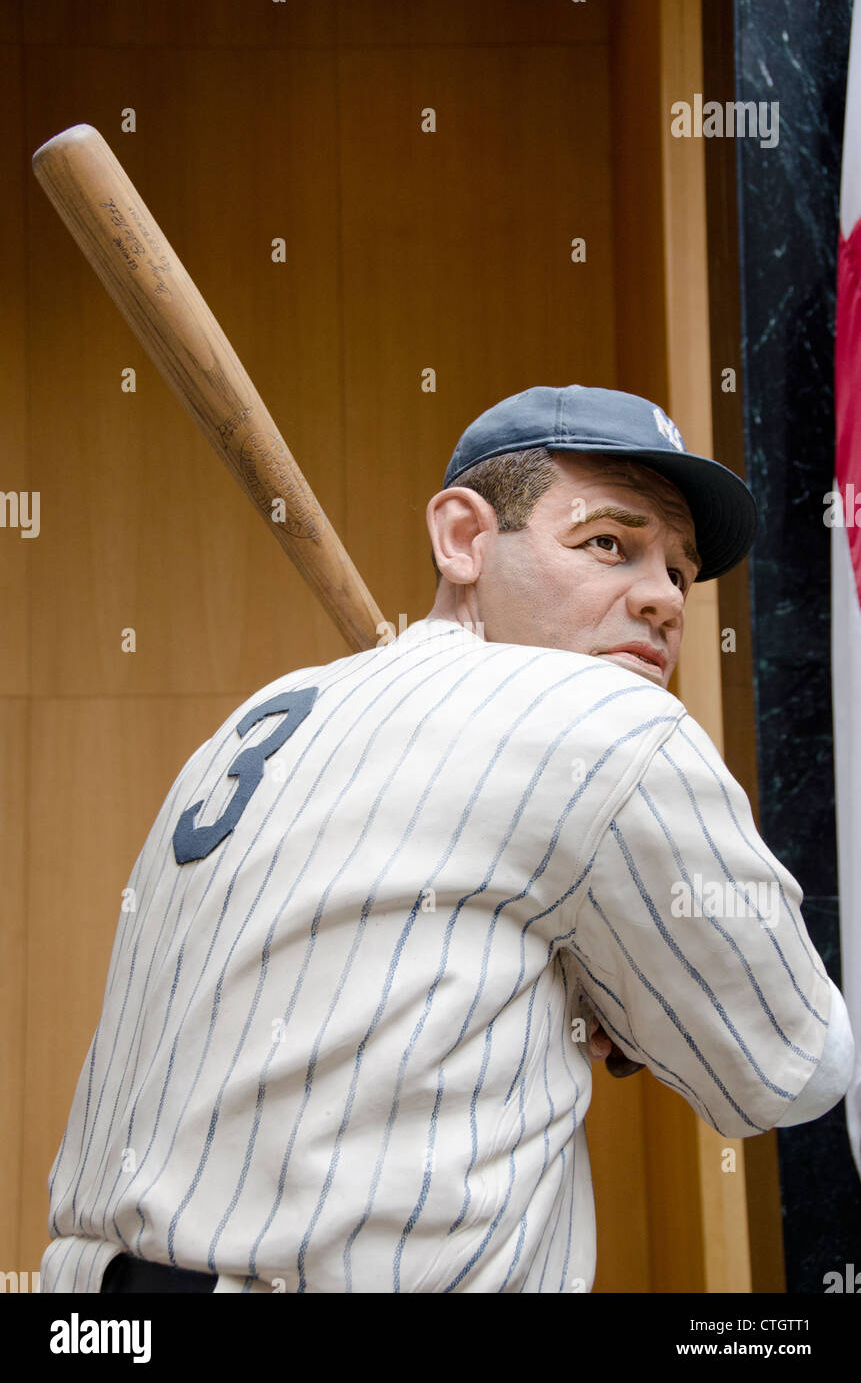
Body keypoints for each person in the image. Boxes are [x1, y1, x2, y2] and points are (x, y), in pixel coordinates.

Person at [40, 384, 855, 1295]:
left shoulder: (257, 719)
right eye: (608, 545)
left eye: (678, 570)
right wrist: (633, 1007)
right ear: (466, 539)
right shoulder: (610, 719)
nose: (661, 599)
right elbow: (789, 1068)